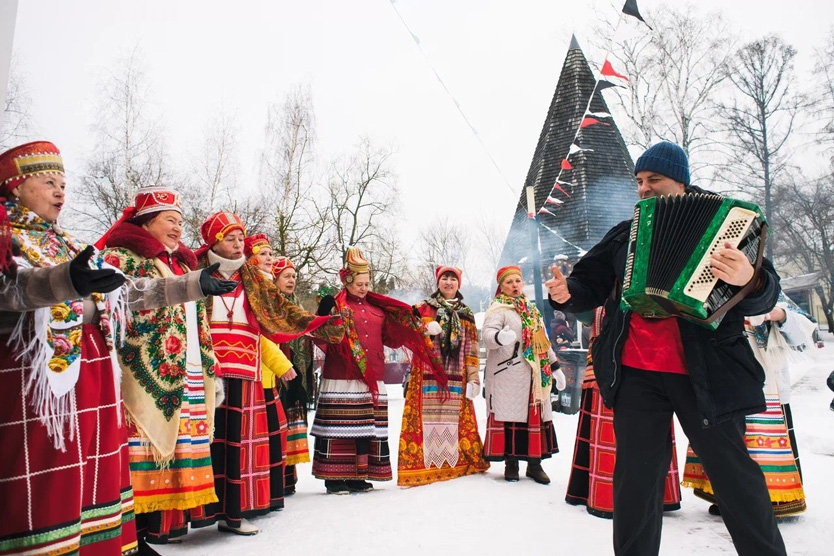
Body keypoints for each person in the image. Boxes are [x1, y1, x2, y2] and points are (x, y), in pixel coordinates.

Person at [546, 141, 786, 555]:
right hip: (637, 374)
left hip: (707, 375)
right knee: (636, 485)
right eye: (639, 181)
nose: (643, 188)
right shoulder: (626, 233)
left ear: (679, 180)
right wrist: (566, 293)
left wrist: (752, 276)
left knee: (735, 480)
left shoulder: (727, 224)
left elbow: (763, 296)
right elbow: (589, 285)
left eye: (653, 179)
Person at [0, 141, 235, 556]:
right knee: (47, 474)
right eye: (48, 182)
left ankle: (106, 543)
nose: (60, 192)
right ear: (14, 187)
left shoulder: (67, 243)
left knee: (91, 467)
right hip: (35, 381)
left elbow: (126, 294)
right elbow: (14, 288)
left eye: (63, 184)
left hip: (88, 375)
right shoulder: (7, 239)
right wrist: (67, 281)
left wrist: (195, 284)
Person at [97, 186, 235, 548]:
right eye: (169, 221)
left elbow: (199, 320)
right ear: (146, 222)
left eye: (179, 221)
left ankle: (157, 529)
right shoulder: (120, 257)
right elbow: (128, 300)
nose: (177, 228)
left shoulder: (183, 262)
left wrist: (208, 362)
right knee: (139, 455)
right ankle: (135, 534)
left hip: (184, 368)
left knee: (174, 457)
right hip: (144, 373)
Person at [189, 213, 343, 535]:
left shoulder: (253, 278)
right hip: (206, 368)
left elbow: (283, 312)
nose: (237, 244)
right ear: (214, 240)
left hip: (246, 372)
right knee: (206, 442)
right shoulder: (196, 270)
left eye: (239, 238)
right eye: (229, 238)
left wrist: (319, 323)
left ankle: (233, 514)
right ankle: (198, 514)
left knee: (239, 446)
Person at [310, 246, 446, 494]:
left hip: (373, 375)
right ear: (347, 281)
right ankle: (334, 477)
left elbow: (393, 339)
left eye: (367, 282)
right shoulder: (337, 307)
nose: (364, 288)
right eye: (359, 283)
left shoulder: (378, 310)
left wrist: (421, 329)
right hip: (343, 376)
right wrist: (322, 315)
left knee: (365, 427)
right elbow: (319, 337)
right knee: (341, 426)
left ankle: (359, 474)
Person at [683, 302, 815, 518]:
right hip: (724, 370)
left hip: (765, 375)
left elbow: (805, 324)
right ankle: (725, 496)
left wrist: (776, 314)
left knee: (758, 435)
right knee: (728, 436)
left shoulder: (767, 289)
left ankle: (774, 499)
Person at [565, 308, 682, 518]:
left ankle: (651, 497)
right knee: (612, 431)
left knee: (650, 436)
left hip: (650, 364)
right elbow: (586, 314)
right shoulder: (603, 290)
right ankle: (608, 496)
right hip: (609, 366)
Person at [397, 265, 489, 486]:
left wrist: (474, 377)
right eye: (445, 278)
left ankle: (457, 463)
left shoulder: (466, 313)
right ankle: (423, 465)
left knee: (456, 417)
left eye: (453, 279)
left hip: (457, 373)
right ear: (438, 282)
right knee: (426, 416)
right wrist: (423, 329)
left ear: (459, 284)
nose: (448, 282)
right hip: (427, 372)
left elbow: (471, 347)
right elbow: (402, 329)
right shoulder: (423, 308)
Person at [482, 265, 566, 484]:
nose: (515, 285)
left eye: (517, 281)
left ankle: (535, 465)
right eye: (509, 282)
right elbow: (488, 336)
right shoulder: (498, 309)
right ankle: (512, 463)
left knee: (534, 418)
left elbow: (543, 340)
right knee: (512, 416)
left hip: (535, 374)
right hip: (508, 374)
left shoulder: (532, 310)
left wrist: (555, 366)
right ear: (501, 287)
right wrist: (500, 336)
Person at [244, 234, 295, 512]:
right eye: (263, 254)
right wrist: (280, 363)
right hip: (256, 371)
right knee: (263, 437)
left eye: (271, 254)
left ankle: (270, 494)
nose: (269, 259)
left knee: (273, 435)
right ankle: (260, 497)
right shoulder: (252, 289)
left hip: (266, 373)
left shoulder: (265, 290)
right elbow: (257, 333)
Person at [272, 255, 315, 495]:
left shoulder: (297, 304)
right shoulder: (271, 304)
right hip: (276, 370)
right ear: (275, 277)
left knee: (291, 422)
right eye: (286, 276)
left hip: (296, 370)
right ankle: (278, 477)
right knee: (279, 423)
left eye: (294, 276)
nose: (291, 280)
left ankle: (290, 477)